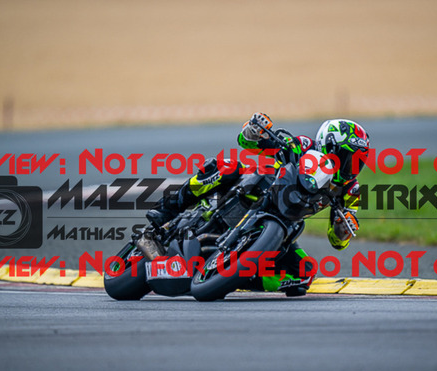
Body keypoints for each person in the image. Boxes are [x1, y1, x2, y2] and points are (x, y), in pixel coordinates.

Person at [146, 112, 370, 295]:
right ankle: (167, 208)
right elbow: (246, 142)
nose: (354, 166)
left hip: (286, 225)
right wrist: (254, 130)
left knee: (304, 274)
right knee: (226, 167)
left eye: (360, 160)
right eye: (350, 158)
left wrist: (343, 228)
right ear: (330, 147)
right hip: (260, 187)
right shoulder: (303, 146)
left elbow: (337, 242)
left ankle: (233, 278)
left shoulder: (350, 190)